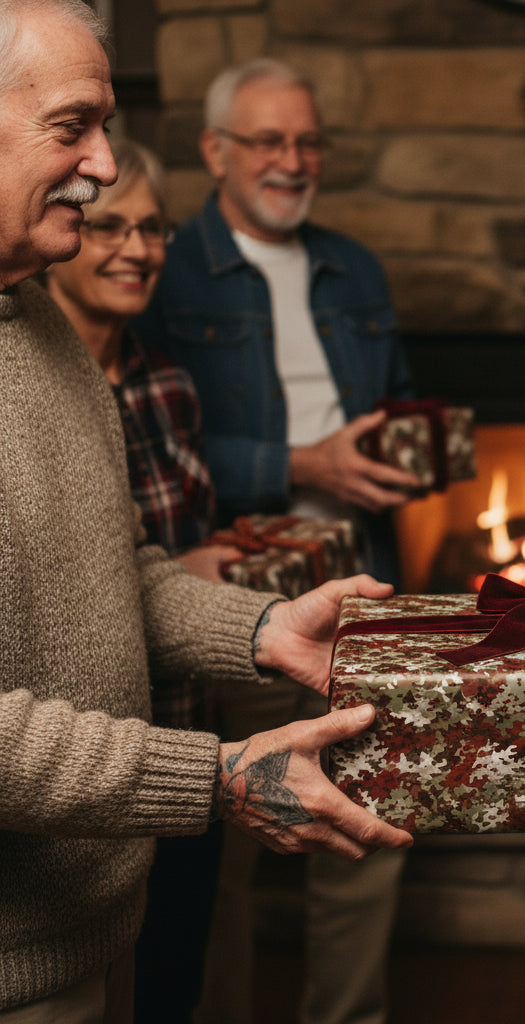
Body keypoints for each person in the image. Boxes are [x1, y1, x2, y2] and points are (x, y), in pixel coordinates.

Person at [0, 2, 412, 1021]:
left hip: (97, 931)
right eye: (70, 126)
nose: (103, 167)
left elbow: (118, 567)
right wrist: (217, 775)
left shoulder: (41, 314)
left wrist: (266, 630)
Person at [133, 57, 420, 1024]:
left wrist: (405, 450)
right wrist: (303, 466)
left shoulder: (358, 268)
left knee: (370, 833)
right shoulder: (161, 266)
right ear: (215, 151)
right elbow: (159, 432)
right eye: (267, 140)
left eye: (306, 141)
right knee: (225, 853)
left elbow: (393, 402)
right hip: (237, 607)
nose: (291, 160)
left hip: (362, 594)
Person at [43, 134, 244, 1023]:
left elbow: (156, 559)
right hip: (78, 758)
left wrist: (246, 602)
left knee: (171, 978)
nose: (136, 249)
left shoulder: (167, 384)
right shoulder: (41, 379)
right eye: (112, 225)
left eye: (155, 228)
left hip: (190, 723)